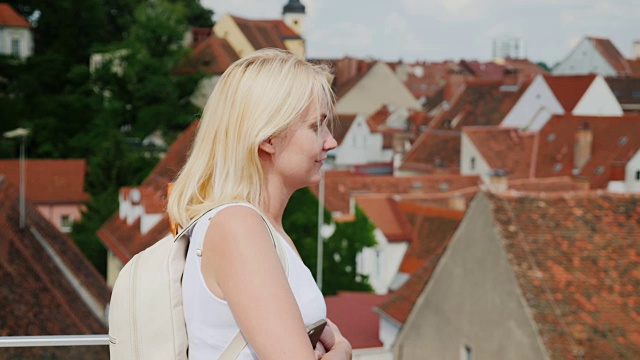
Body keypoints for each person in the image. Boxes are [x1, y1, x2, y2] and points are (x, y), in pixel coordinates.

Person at [167, 48, 352, 359]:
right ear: (269, 138)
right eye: (315, 126)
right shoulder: (239, 227)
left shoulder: (262, 227)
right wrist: (343, 350)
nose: (330, 141)